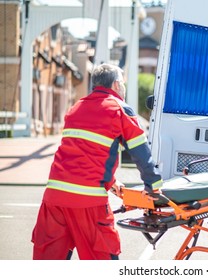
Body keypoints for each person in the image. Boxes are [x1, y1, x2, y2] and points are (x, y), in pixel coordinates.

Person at [31, 63, 162, 260]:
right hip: (88, 204)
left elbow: (82, 154)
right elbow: (141, 153)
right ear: (117, 85)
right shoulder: (119, 109)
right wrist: (153, 185)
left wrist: (112, 182)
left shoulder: (76, 108)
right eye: (123, 84)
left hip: (54, 199)